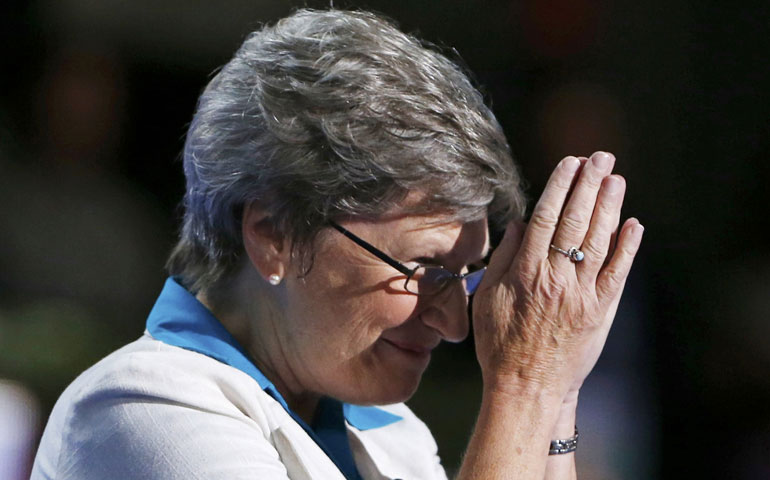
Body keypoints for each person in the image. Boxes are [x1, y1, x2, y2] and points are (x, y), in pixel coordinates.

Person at [31, 9, 643, 480]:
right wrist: (523, 383)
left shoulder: (390, 430)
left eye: (465, 274)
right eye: (425, 266)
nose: (457, 322)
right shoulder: (141, 410)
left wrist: (556, 396)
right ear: (273, 234)